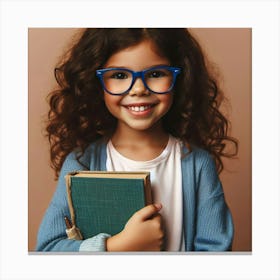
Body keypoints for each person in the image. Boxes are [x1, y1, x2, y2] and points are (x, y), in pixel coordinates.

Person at [36, 28, 238, 252]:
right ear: (95, 82)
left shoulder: (198, 164)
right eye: (120, 76)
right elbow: (47, 250)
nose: (139, 89)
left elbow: (217, 252)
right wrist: (116, 246)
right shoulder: (81, 163)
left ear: (180, 78)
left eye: (156, 74)